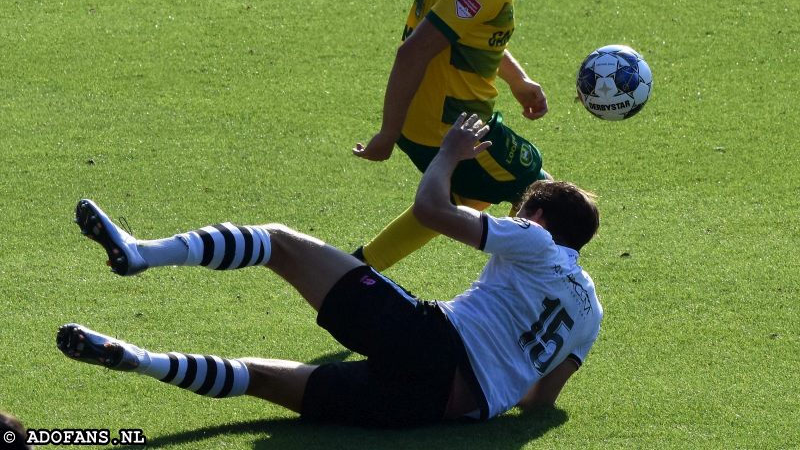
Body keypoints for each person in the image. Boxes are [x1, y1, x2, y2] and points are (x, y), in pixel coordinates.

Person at [58, 114, 602, 428]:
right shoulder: (591, 312)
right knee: (256, 377)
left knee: (276, 243)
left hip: (430, 340)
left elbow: (432, 211)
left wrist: (449, 155)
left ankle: (140, 253)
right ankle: (141, 360)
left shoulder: (536, 240)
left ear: (536, 218)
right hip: (438, 408)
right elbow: (539, 402)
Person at [352, 0, 569, 271]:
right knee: (553, 204)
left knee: (466, 200)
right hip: (452, 127)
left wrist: (517, 80)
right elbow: (412, 53)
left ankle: (357, 268)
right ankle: (543, 294)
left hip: (429, 116)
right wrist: (387, 132)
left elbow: (464, 34)